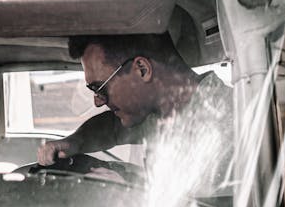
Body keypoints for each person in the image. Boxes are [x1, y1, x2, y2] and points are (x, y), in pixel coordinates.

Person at [37, 32, 231, 171]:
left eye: (100, 88)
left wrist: (125, 192)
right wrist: (74, 142)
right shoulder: (159, 114)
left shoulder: (225, 118)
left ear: (142, 69)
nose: (97, 101)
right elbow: (111, 129)